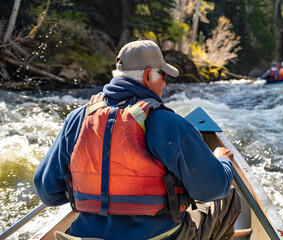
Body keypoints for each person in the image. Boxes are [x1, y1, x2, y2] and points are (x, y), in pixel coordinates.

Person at [33, 40, 241, 240]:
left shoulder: (77, 119)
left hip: (85, 235)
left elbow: (48, 193)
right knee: (229, 194)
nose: (165, 82)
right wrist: (222, 161)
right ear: (149, 76)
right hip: (159, 237)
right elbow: (212, 189)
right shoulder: (170, 123)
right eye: (163, 76)